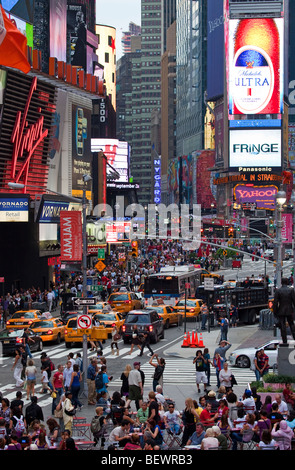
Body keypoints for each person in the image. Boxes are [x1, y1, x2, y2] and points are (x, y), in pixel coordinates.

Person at [273, 277, 295, 345]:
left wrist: (275, 311)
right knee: (291, 324)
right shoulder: (291, 290)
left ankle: (284, 341)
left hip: (281, 310)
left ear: (281, 283)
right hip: (289, 310)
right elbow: (294, 301)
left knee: (282, 325)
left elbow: (275, 303)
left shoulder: (278, 291)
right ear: (287, 282)